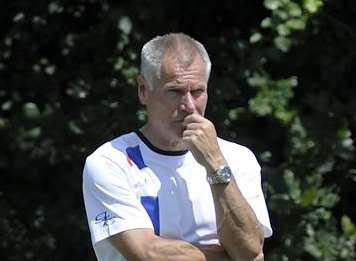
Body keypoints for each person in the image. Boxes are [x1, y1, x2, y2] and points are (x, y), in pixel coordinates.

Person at [83, 33, 272, 261]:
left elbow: (249, 250)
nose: (189, 106)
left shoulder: (238, 158)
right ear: (143, 89)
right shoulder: (110, 161)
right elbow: (147, 253)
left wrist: (215, 164)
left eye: (198, 91)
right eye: (175, 92)